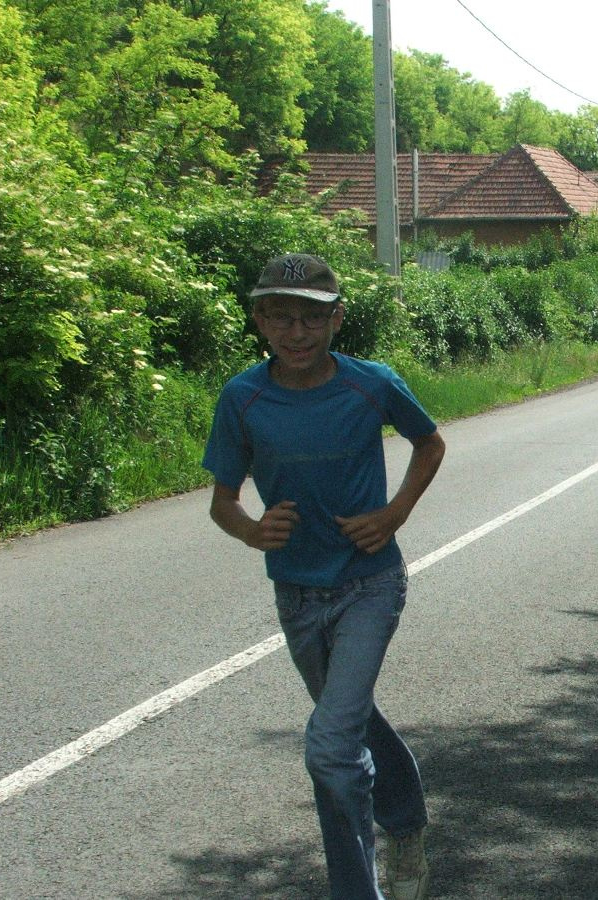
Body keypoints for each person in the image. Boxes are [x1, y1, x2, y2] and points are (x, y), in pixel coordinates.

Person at [202, 253, 445, 900]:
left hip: (370, 584)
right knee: (352, 725)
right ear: (259, 320)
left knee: (331, 749)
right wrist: (252, 530)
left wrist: (394, 513)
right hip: (297, 594)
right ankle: (407, 824)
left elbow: (430, 442)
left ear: (337, 319)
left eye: (311, 318)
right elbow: (223, 501)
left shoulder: (372, 383)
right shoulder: (243, 397)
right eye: (280, 317)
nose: (296, 332)